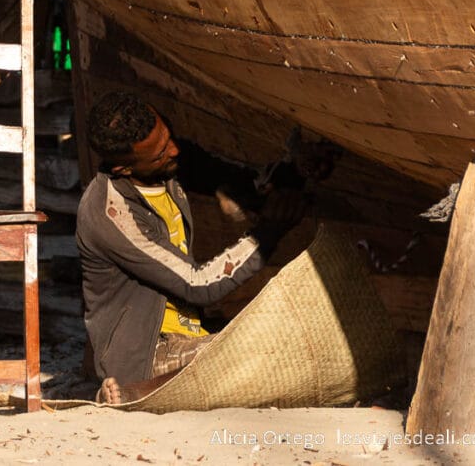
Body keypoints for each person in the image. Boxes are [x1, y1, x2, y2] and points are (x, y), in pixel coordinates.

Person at [77, 91, 322, 404]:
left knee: (281, 340)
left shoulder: (169, 161)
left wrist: (297, 171)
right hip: (149, 351)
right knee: (261, 347)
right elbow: (198, 285)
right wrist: (269, 232)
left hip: (193, 335)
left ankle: (182, 373)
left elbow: (246, 181)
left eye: (168, 137)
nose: (174, 150)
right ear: (124, 170)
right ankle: (135, 392)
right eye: (159, 154)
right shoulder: (108, 213)